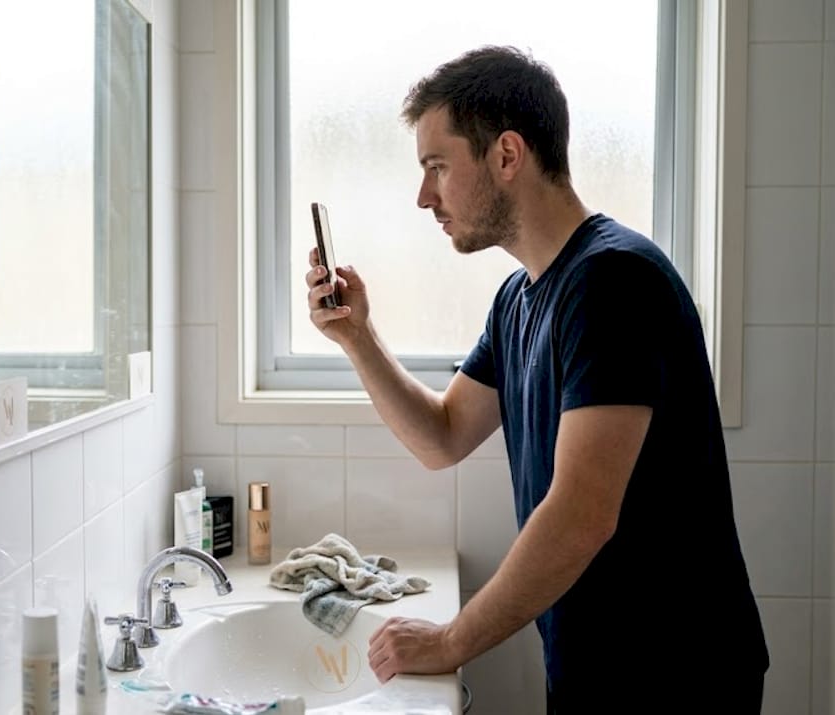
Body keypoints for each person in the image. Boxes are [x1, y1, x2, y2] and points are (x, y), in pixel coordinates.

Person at [305, 46, 769, 712]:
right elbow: (443, 436)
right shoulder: (521, 297)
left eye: (437, 165)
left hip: (673, 674)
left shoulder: (614, 282)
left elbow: (581, 516)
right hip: (595, 663)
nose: (422, 196)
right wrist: (357, 337)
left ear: (507, 155)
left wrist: (451, 640)